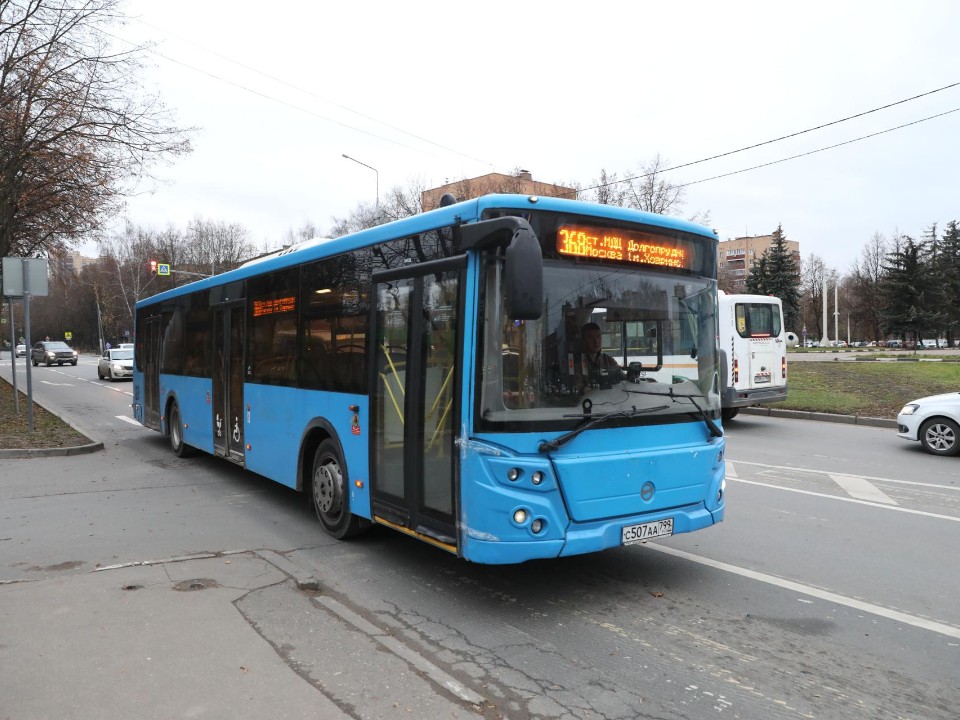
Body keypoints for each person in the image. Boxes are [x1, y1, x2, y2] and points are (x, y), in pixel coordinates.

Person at [580, 322, 621, 389]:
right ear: (583, 340)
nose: (596, 341)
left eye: (599, 337)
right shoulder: (577, 363)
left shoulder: (608, 360)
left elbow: (621, 377)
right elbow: (577, 386)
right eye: (591, 337)